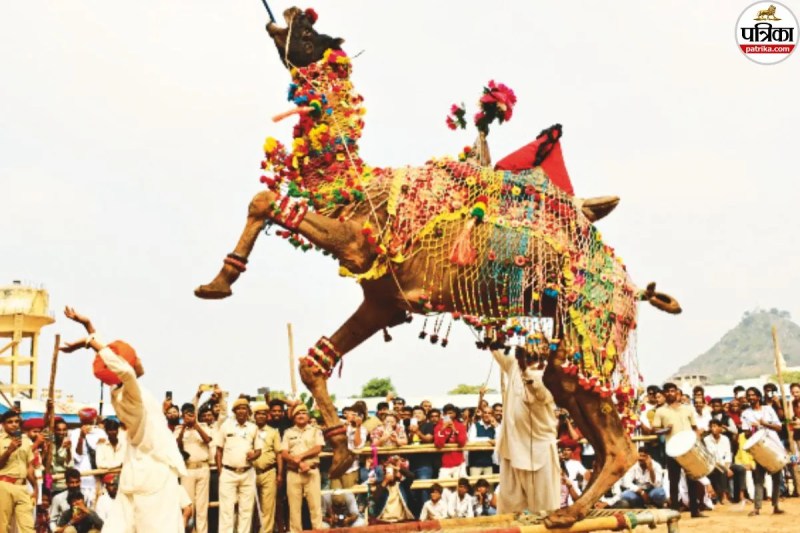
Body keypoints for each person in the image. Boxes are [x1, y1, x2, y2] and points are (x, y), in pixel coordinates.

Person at [59, 306, 187, 532]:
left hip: (135, 469)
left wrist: (88, 327)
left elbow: (114, 364)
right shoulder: (132, 395)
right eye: (135, 358)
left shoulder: (117, 392)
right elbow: (124, 370)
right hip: (155, 472)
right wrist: (90, 342)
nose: (139, 361)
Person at [491, 346, 560, 514]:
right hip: (511, 450)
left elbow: (541, 393)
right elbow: (495, 345)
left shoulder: (551, 375)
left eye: (539, 343)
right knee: (508, 511)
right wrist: (488, 331)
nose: (532, 345)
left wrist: (525, 370)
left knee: (545, 512)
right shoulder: (514, 365)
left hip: (538, 453)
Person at [652, 382, 705, 518]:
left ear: (677, 392)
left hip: (688, 448)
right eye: (667, 391)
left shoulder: (688, 409)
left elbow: (694, 427)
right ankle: (675, 511)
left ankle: (695, 510)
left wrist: (698, 440)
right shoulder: (660, 411)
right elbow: (655, 430)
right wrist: (666, 429)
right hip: (672, 449)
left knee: (692, 479)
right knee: (673, 480)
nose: (670, 393)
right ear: (664, 394)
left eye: (672, 391)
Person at [215, 397, 259, 533]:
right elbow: (219, 450)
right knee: (226, 510)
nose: (241, 411)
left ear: (248, 411)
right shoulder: (226, 426)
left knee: (246, 510)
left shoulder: (253, 428)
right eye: (238, 408)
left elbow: (259, 450)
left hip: (247, 472)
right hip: (228, 472)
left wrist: (254, 455)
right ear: (234, 411)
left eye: (244, 408)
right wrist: (220, 471)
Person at [741, 386, 784, 516]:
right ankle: (757, 507)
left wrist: (764, 424)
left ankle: (776, 505)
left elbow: (779, 427)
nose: (750, 397)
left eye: (753, 395)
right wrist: (751, 429)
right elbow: (746, 434)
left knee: (776, 477)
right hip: (759, 448)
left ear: (758, 397)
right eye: (748, 395)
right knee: (759, 478)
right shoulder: (746, 413)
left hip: (773, 445)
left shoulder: (768, 409)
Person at [281, 403, 324, 532]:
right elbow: (284, 453)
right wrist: (298, 463)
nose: (301, 416)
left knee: (315, 507)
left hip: (312, 471)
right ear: (294, 417)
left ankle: (318, 530)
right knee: (294, 508)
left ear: (308, 416)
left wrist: (301, 456)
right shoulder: (288, 432)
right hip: (294, 472)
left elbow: (318, 448)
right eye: (298, 414)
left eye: (304, 413)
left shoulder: (315, 431)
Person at [175, 402, 212, 533]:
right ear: (182, 415)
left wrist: (195, 425)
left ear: (195, 414)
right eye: (186, 414)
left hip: (203, 468)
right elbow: (178, 446)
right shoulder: (179, 429)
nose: (189, 416)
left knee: (202, 506)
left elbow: (208, 440)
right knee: (189, 505)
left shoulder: (203, 426)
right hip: (188, 469)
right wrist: (184, 427)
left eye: (191, 414)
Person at [0, 409, 38, 533]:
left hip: (22, 487)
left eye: (16, 421)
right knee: (3, 526)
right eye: (10, 422)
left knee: (28, 526)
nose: (14, 424)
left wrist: (35, 488)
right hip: (4, 485)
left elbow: (29, 467)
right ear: (3, 424)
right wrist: (9, 451)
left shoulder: (26, 441)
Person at [252, 402, 282, 533]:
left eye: (263, 414)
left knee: (268, 507)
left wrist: (279, 474)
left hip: (269, 472)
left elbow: (279, 453)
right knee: (249, 506)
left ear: (267, 416)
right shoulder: (249, 430)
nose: (261, 416)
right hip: (251, 473)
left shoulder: (273, 432)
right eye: (258, 414)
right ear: (254, 416)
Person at [68, 407, 106, 507]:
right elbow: (77, 457)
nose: (87, 425)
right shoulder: (75, 433)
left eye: (89, 422)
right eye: (85, 422)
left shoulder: (101, 433)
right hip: (80, 479)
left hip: (96, 479)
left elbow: (104, 456)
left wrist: (100, 445)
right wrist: (81, 437)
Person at [371, 457, 415, 523]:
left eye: (391, 471)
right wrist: (385, 481)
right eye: (388, 472)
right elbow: (375, 499)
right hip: (385, 520)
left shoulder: (401, 485)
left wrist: (396, 468)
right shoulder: (382, 486)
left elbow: (411, 476)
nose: (390, 474)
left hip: (400, 520)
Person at [703, 419, 734, 505]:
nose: (713, 429)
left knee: (740, 469)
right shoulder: (706, 440)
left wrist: (727, 467)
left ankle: (741, 496)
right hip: (712, 465)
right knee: (722, 470)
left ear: (720, 428)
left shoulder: (725, 439)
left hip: (726, 464)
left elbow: (728, 455)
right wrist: (725, 468)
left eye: (715, 426)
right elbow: (710, 457)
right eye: (711, 427)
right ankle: (724, 496)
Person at [433, 405, 467, 479]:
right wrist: (443, 429)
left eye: (451, 413)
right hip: (444, 464)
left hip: (459, 462)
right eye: (446, 413)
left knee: (461, 485)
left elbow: (462, 443)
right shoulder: (438, 426)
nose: (449, 415)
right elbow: (438, 444)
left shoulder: (460, 426)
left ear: (455, 414)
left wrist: (454, 430)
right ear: (443, 414)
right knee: (444, 485)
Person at [466, 409, 496, 477]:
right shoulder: (475, 425)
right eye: (485, 412)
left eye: (489, 413)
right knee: (474, 482)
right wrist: (488, 439)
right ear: (482, 414)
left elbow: (498, 440)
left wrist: (496, 427)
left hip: (488, 462)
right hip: (475, 462)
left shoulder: (494, 427)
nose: (487, 415)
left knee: (489, 483)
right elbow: (471, 440)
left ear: (492, 415)